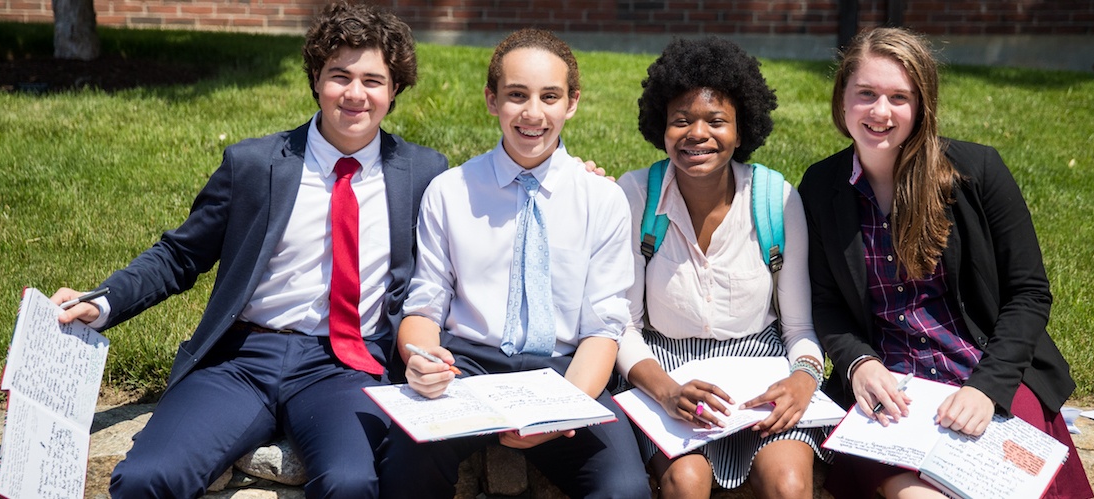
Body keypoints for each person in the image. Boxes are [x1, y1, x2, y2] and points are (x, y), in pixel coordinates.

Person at [49, 3, 449, 497]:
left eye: (372, 80)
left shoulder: (423, 173)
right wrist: (102, 301)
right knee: (147, 477)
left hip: (346, 365)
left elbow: (481, 220)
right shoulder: (255, 165)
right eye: (338, 75)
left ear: (394, 90)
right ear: (315, 81)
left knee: (350, 482)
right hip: (242, 359)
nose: (354, 94)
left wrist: (571, 174)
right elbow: (180, 255)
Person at [799, 27, 1092, 498]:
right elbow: (825, 302)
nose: (880, 111)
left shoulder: (978, 172)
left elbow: (1029, 293)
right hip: (893, 396)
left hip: (989, 374)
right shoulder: (820, 187)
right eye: (867, 94)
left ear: (922, 105)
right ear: (842, 100)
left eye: (899, 97)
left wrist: (986, 389)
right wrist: (857, 363)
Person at [380, 28, 651, 498]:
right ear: (491, 100)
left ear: (573, 102)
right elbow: (424, 304)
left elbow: (604, 326)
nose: (533, 113)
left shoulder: (602, 199)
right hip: (466, 367)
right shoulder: (450, 192)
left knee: (624, 488)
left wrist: (561, 409)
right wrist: (420, 358)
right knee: (405, 464)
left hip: (566, 371)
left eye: (550, 97)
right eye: (516, 96)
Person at [613, 37, 830, 498]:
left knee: (789, 484)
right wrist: (668, 391)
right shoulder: (635, 196)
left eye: (716, 120)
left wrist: (802, 378)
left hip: (761, 369)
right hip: (666, 366)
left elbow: (798, 327)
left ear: (741, 126)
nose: (697, 134)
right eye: (681, 120)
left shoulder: (775, 199)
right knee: (685, 481)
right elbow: (623, 327)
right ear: (661, 126)